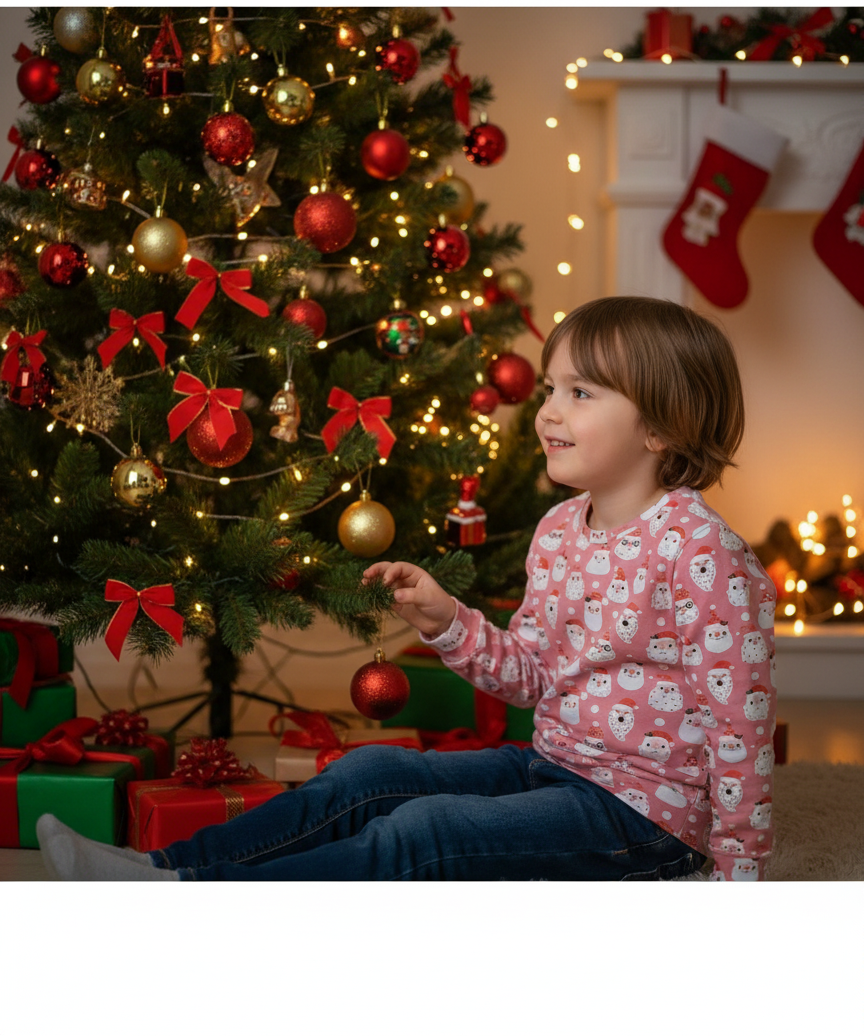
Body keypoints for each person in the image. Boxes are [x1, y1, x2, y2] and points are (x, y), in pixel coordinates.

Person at [37, 295, 776, 882]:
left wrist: (739, 871)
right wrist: (446, 617)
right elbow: (530, 676)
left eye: (580, 393)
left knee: (426, 832)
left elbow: (739, 725)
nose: (548, 410)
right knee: (372, 769)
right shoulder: (560, 530)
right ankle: (163, 869)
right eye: (551, 388)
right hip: (552, 765)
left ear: (662, 429)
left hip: (644, 821)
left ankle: (197, 901)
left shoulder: (701, 552)